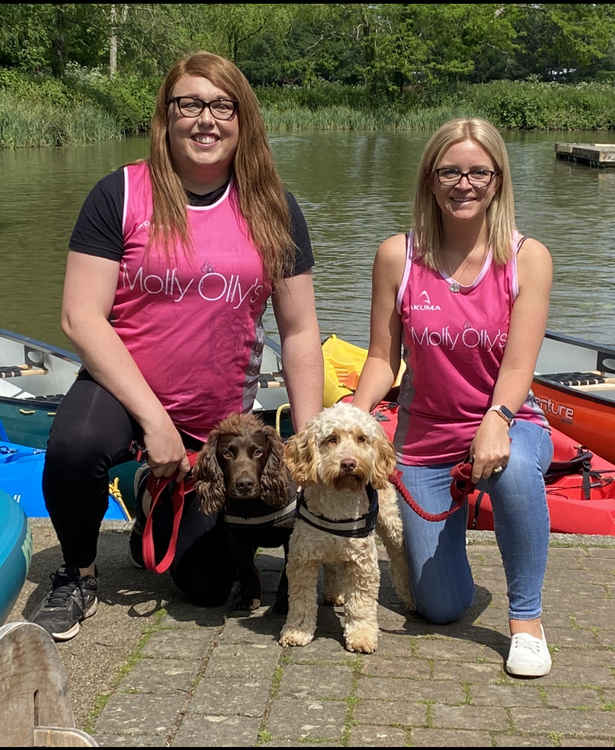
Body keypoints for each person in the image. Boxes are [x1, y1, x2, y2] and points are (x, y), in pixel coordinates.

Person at [32, 51, 323, 641]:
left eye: (222, 106)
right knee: (73, 448)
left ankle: (148, 493)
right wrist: (154, 420)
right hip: (122, 390)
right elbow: (79, 316)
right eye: (189, 104)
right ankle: (79, 573)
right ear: (166, 117)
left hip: (218, 416)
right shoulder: (120, 192)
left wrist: (310, 444)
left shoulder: (273, 206)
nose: (206, 119)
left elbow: (299, 332)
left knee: (209, 586)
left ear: (244, 120)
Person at [353, 117, 554, 678]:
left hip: (511, 421)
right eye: (450, 172)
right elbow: (379, 358)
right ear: (430, 179)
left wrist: (497, 419)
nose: (464, 184)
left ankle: (527, 620)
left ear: (497, 179)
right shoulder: (398, 255)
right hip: (425, 442)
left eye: (478, 172)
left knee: (512, 471)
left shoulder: (527, 258)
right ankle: (450, 553)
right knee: (439, 607)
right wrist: (352, 413)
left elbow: (519, 365)